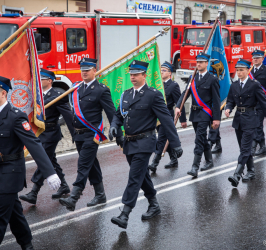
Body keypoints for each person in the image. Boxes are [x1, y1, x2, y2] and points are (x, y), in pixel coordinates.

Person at [109, 60, 183, 229]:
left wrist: (175, 143)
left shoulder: (153, 94)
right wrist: (114, 126)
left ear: (144, 75)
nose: (132, 77)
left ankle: (125, 213)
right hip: (129, 143)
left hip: (145, 142)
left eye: (136, 74)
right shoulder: (125, 94)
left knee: (135, 176)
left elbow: (166, 120)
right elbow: (117, 115)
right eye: (131, 74)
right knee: (142, 175)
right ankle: (154, 205)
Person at [0, 76, 60, 249]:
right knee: (14, 214)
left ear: (3, 93)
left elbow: (34, 144)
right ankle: (27, 244)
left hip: (9, 174)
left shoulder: (15, 117)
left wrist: (50, 172)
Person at [59, 58, 123, 211]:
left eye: (87, 69)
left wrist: (119, 134)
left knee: (83, 165)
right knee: (91, 164)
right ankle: (100, 194)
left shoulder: (101, 89)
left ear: (95, 70)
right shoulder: (76, 88)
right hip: (79, 135)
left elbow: (112, 113)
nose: (84, 72)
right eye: (82, 69)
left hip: (92, 134)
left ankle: (74, 197)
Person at [19, 69, 74, 205]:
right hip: (40, 133)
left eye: (42, 78)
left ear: (50, 81)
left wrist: (75, 135)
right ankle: (64, 186)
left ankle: (34, 192)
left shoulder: (57, 95)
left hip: (51, 133)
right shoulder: (37, 95)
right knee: (51, 161)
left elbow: (68, 116)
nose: (39, 81)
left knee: (43, 161)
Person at [225, 59, 266, 187]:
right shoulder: (234, 85)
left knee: (245, 148)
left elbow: (264, 103)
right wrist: (228, 108)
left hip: (251, 119)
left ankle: (237, 174)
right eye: (237, 70)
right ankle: (251, 171)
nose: (239, 72)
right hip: (238, 120)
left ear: (248, 70)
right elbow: (231, 100)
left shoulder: (254, 85)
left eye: (242, 70)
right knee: (244, 148)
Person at [175, 52, 221, 177]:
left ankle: (195, 167)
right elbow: (185, 93)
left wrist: (216, 118)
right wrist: (178, 106)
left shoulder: (212, 79)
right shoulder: (193, 78)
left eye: (201, 62)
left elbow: (216, 101)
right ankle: (210, 161)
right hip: (195, 113)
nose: (198, 64)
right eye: (197, 62)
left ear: (207, 63)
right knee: (202, 138)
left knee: (199, 139)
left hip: (205, 113)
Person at [148, 61, 186, 173]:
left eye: (164, 70)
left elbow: (179, 103)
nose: (161, 72)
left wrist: (182, 120)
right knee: (163, 138)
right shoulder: (157, 85)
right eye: (160, 70)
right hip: (156, 117)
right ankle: (174, 160)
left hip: (167, 116)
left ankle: (154, 163)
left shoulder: (173, 85)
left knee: (161, 139)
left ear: (170, 73)